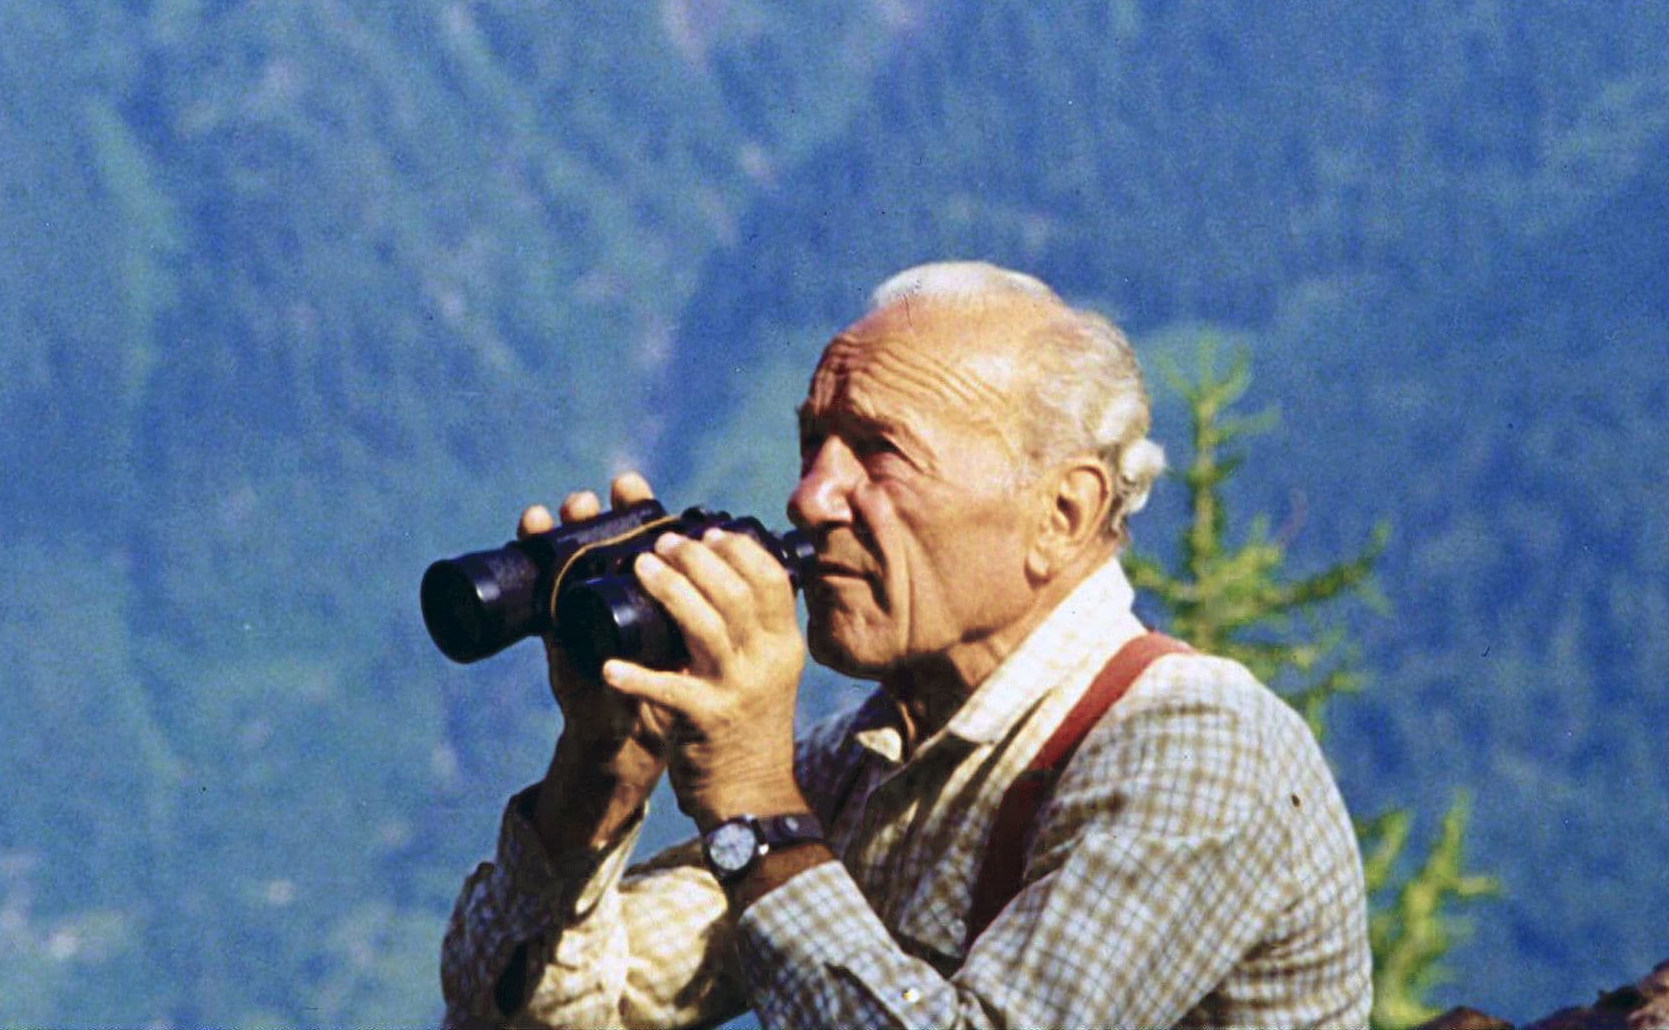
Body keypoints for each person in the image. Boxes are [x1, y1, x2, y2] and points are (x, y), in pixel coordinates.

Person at [439, 261, 1372, 1028]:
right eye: (812, 444)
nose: (810, 496)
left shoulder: (1197, 751)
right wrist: (604, 761)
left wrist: (754, 805)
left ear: (1062, 513)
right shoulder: (868, 763)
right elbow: (534, 1014)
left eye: (879, 452)